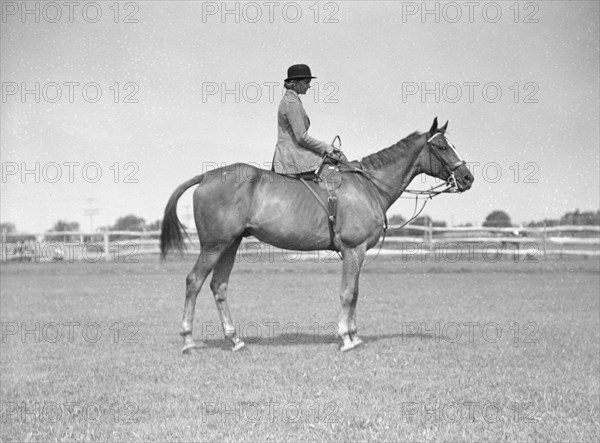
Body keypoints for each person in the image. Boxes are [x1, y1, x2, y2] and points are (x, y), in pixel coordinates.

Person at [271, 64, 336, 175]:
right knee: (336, 161)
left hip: (291, 154)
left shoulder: (291, 99)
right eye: (306, 82)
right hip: (293, 157)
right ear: (295, 83)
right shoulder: (292, 102)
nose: (309, 86)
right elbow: (301, 137)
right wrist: (326, 147)